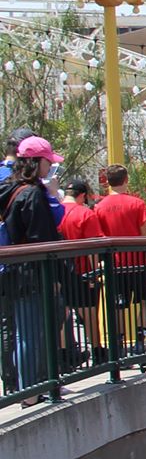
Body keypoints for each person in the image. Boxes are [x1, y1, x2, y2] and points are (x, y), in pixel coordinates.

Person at [0, 136, 63, 391]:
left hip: (12, 269)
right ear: (37, 163)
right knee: (30, 334)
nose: (50, 168)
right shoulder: (33, 194)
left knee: (21, 332)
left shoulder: (9, 189)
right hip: (32, 272)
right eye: (48, 162)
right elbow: (43, 235)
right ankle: (30, 393)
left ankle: (27, 389)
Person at [95, 165, 146, 362]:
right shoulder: (137, 204)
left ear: (107, 181)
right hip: (138, 262)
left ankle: (118, 345)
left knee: (118, 305)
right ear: (126, 179)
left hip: (115, 264)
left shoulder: (99, 207)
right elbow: (145, 234)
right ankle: (141, 338)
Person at [56, 179, 106, 366]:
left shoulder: (55, 212)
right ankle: (98, 351)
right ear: (82, 195)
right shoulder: (85, 213)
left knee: (62, 314)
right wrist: (94, 272)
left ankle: (63, 357)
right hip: (82, 271)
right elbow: (92, 247)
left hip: (58, 271)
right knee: (90, 314)